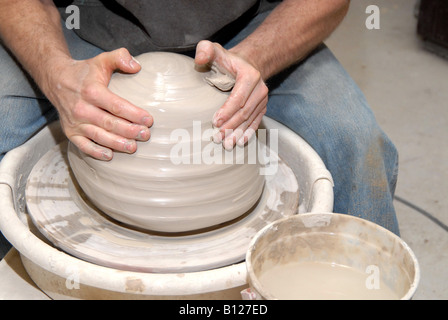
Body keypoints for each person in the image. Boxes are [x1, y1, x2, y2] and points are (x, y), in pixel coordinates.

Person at [0, 0, 400, 260]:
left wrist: (254, 58)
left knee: (355, 145)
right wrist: (55, 74)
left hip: (250, 30)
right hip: (80, 27)